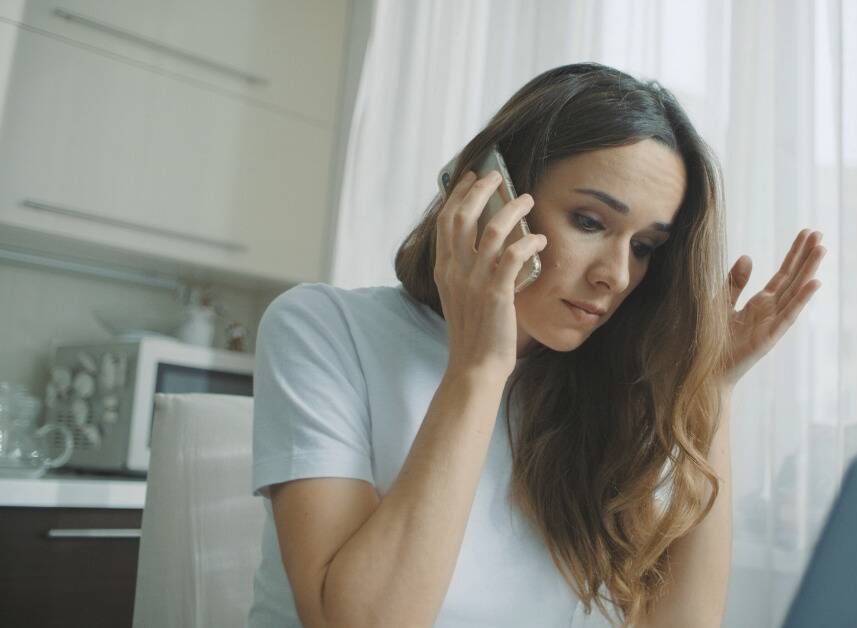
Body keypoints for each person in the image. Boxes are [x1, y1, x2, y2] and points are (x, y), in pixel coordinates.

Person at [247, 62, 825, 628]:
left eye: (645, 247)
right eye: (590, 221)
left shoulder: (602, 389)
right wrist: (477, 369)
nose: (617, 276)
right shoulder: (325, 328)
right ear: (492, 196)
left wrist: (711, 389)